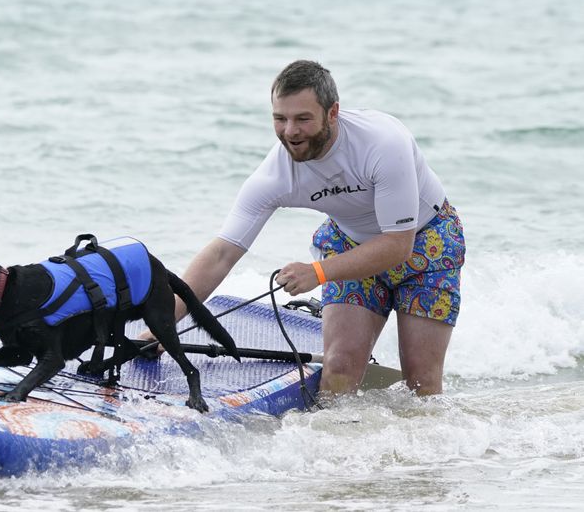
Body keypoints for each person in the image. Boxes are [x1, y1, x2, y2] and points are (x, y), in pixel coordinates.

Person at [171, 60, 464, 396]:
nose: (290, 132)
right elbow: (223, 252)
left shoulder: (383, 143)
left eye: (303, 119)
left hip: (426, 244)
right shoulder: (275, 175)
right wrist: (166, 324)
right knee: (338, 368)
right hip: (350, 243)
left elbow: (398, 245)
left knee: (421, 383)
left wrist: (317, 272)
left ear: (332, 112)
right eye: (280, 119)